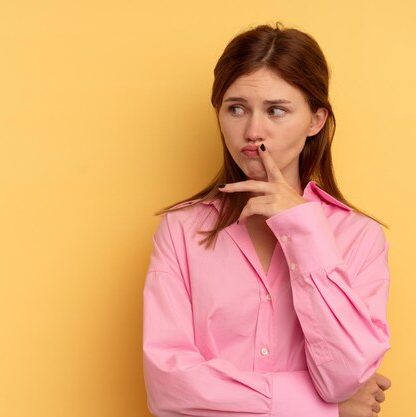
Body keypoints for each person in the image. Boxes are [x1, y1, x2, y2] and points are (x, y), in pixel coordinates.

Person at [142, 23, 392, 417]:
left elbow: (345, 378)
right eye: (236, 108)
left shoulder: (359, 236)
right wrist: (324, 407)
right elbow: (169, 390)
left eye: (276, 110)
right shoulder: (181, 231)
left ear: (315, 120)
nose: (253, 131)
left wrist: (303, 230)